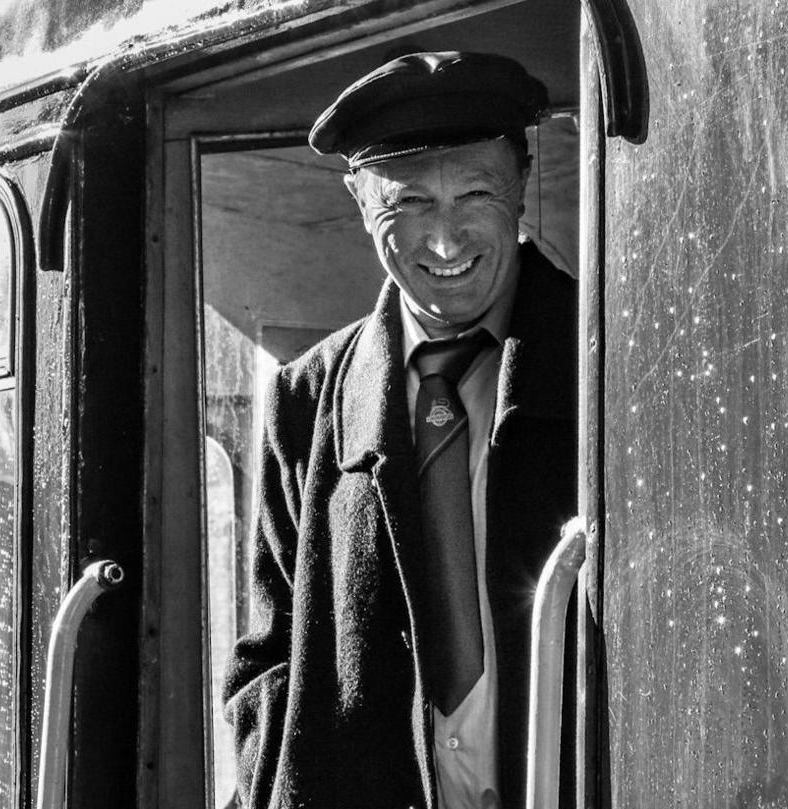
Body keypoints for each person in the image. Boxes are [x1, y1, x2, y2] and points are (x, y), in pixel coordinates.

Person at [223, 51, 577, 809]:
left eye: (474, 193)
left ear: (521, 179)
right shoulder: (306, 398)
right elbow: (268, 663)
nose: (444, 241)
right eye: (409, 204)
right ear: (358, 200)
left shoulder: (608, 353)